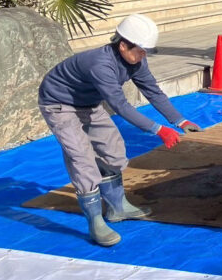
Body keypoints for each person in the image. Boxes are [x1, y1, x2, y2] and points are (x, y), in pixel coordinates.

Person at [38, 13, 201, 247]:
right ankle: (95, 222)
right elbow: (120, 106)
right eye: (141, 50)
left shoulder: (137, 60)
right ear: (123, 45)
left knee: (113, 151)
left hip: (87, 103)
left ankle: (118, 207)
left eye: (146, 51)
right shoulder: (101, 65)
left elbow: (152, 91)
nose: (144, 55)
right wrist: (158, 130)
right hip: (59, 103)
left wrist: (180, 121)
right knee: (81, 159)